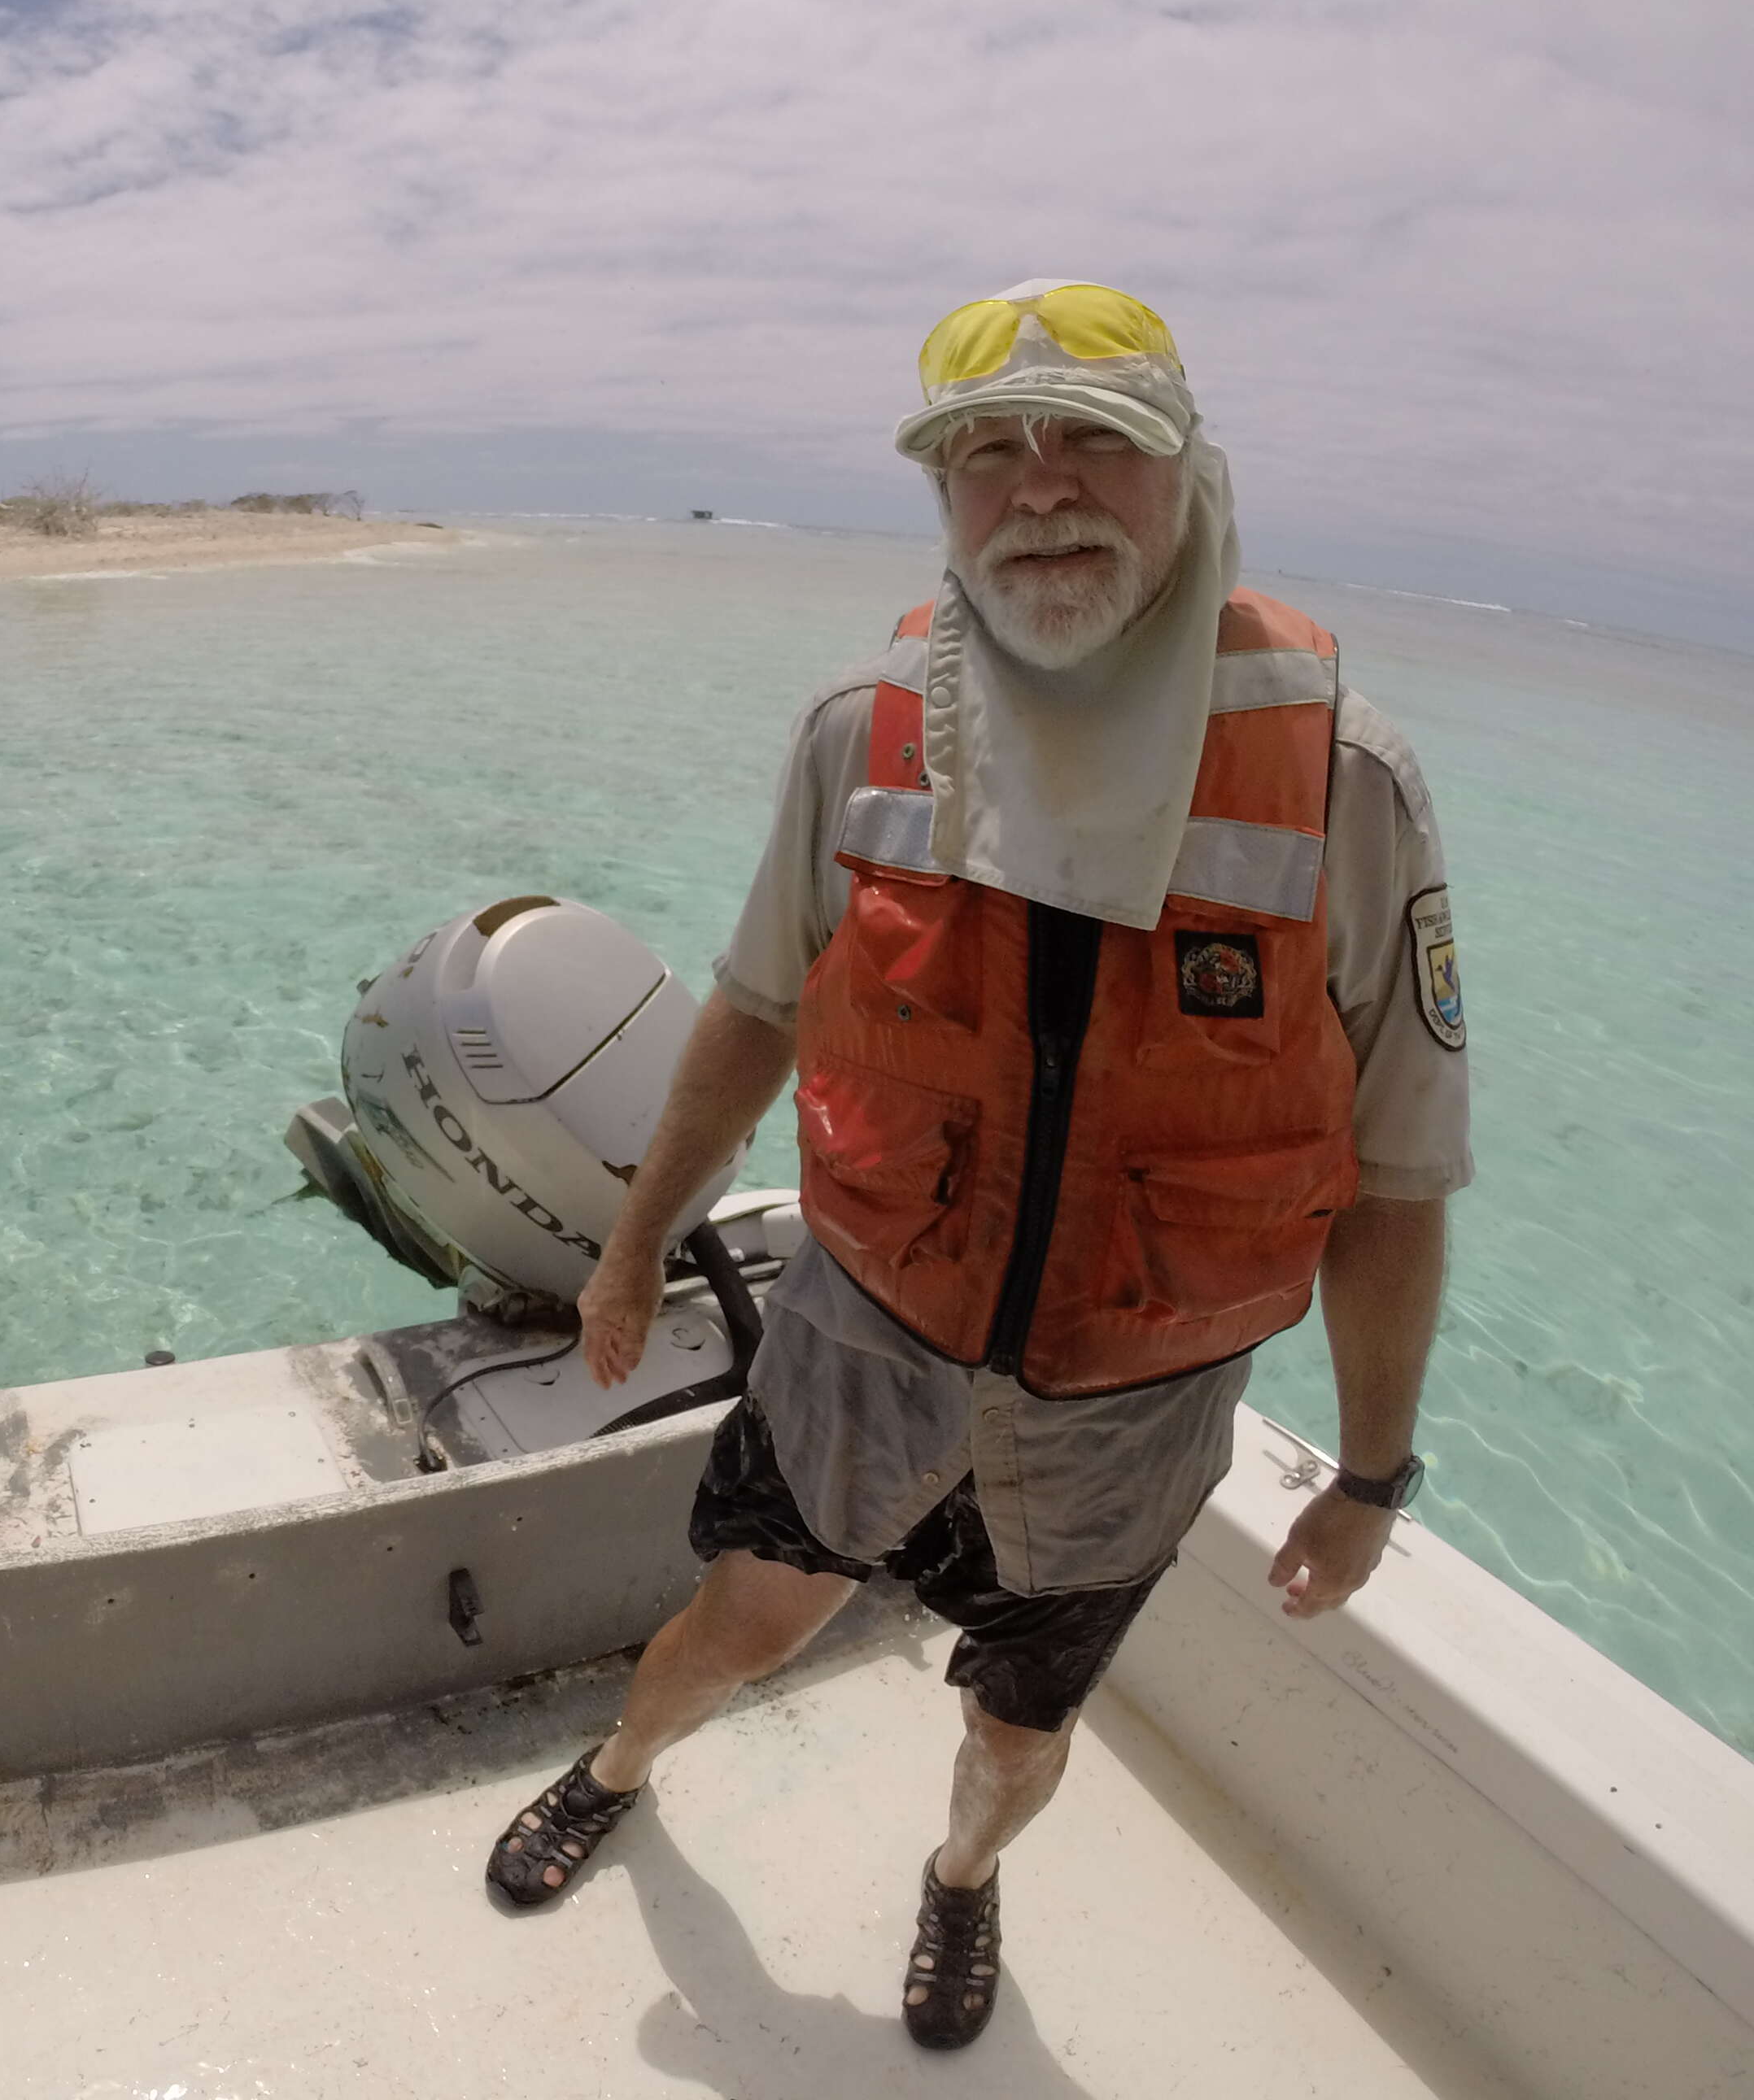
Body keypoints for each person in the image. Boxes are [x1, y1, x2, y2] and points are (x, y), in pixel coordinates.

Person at [482, 281, 1471, 2053]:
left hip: (1136, 1397)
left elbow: (1396, 1179)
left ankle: (956, 1881)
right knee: (741, 1626)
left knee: (1019, 1729)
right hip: (865, 1333)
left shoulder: (1348, 780)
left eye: (1094, 437)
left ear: (1189, 464)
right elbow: (752, 1009)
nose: (1036, 488)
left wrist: (1373, 1478)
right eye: (978, 453)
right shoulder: (857, 729)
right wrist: (634, 1247)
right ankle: (618, 1764)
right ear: (937, 492)